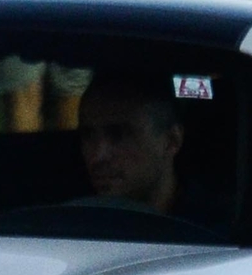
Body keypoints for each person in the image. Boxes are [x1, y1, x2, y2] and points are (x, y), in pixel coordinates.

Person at [77, 86, 183, 214]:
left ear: (171, 141)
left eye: (119, 135)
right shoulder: (66, 218)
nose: (98, 156)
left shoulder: (208, 227)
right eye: (88, 135)